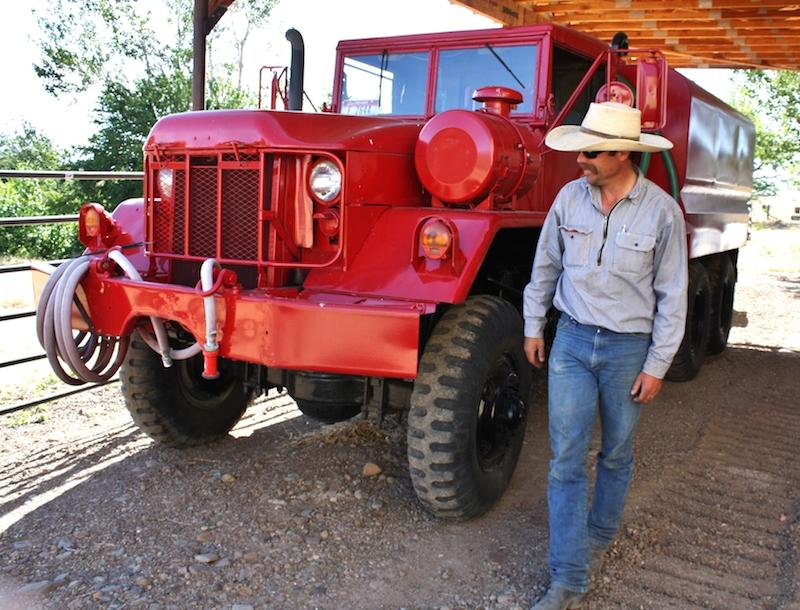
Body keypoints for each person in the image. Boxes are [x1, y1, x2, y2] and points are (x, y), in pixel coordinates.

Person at [523, 101, 688, 610]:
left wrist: (656, 365)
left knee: (616, 453)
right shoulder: (568, 200)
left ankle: (602, 532)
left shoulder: (662, 211)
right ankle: (569, 576)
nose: (580, 161)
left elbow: (673, 295)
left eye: (591, 152)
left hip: (627, 348)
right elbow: (545, 266)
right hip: (571, 341)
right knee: (565, 460)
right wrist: (534, 327)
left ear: (622, 153)